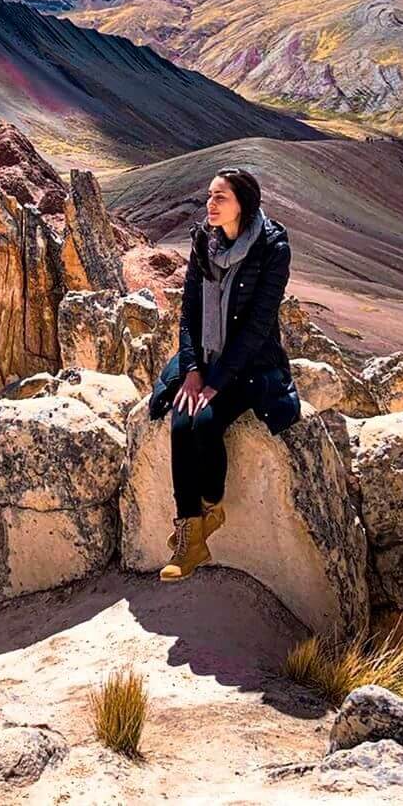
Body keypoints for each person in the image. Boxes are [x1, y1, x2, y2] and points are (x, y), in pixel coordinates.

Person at [147, 166, 298, 582]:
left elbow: (258, 326)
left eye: (221, 198)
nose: (210, 205)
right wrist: (193, 371)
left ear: (243, 204)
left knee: (206, 425)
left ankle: (211, 508)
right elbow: (188, 314)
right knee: (180, 424)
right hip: (207, 358)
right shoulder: (204, 243)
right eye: (209, 196)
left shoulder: (272, 248)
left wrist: (216, 382)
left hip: (249, 364)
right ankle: (190, 537)